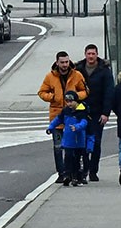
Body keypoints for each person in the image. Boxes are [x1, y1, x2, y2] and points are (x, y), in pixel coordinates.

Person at [38, 51, 88, 183]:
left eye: (66, 62)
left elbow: (85, 91)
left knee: (73, 148)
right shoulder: (50, 77)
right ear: (57, 63)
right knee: (58, 147)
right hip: (57, 115)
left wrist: (75, 98)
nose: (65, 65)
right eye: (62, 62)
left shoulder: (77, 75)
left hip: (73, 117)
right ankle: (62, 173)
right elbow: (42, 92)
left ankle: (72, 172)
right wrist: (52, 97)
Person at [75, 43, 114, 182]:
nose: (91, 56)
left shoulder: (104, 71)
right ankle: (84, 169)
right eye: (89, 54)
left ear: (97, 54)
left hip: (98, 112)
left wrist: (106, 113)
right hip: (82, 111)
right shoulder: (78, 69)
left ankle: (93, 170)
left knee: (96, 142)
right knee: (83, 142)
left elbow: (109, 92)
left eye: (93, 54)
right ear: (85, 54)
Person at [46, 90, 90, 185]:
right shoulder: (66, 111)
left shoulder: (82, 110)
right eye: (67, 101)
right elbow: (58, 119)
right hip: (68, 140)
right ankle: (67, 176)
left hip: (78, 141)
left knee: (77, 160)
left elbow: (84, 122)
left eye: (71, 101)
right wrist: (51, 127)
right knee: (68, 158)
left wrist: (77, 127)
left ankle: (77, 177)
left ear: (76, 101)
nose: (69, 104)